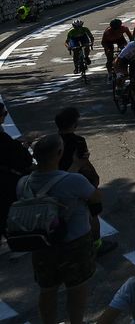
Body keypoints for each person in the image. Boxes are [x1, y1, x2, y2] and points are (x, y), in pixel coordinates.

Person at [19, 134, 102, 324]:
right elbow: (96, 196)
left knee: (47, 289)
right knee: (77, 288)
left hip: (41, 245)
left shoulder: (23, 184)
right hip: (75, 243)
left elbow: (55, 182)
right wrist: (79, 165)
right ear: (59, 153)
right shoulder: (74, 181)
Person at [54, 108, 111, 256]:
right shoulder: (78, 141)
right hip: (80, 180)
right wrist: (94, 177)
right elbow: (84, 161)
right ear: (74, 124)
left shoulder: (54, 142)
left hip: (59, 180)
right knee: (92, 214)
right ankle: (97, 245)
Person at [0, 102, 33, 243]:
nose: (5, 117)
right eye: (4, 114)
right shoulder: (2, 138)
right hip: (5, 181)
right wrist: (26, 145)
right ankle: (16, 238)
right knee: (7, 211)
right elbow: (23, 159)